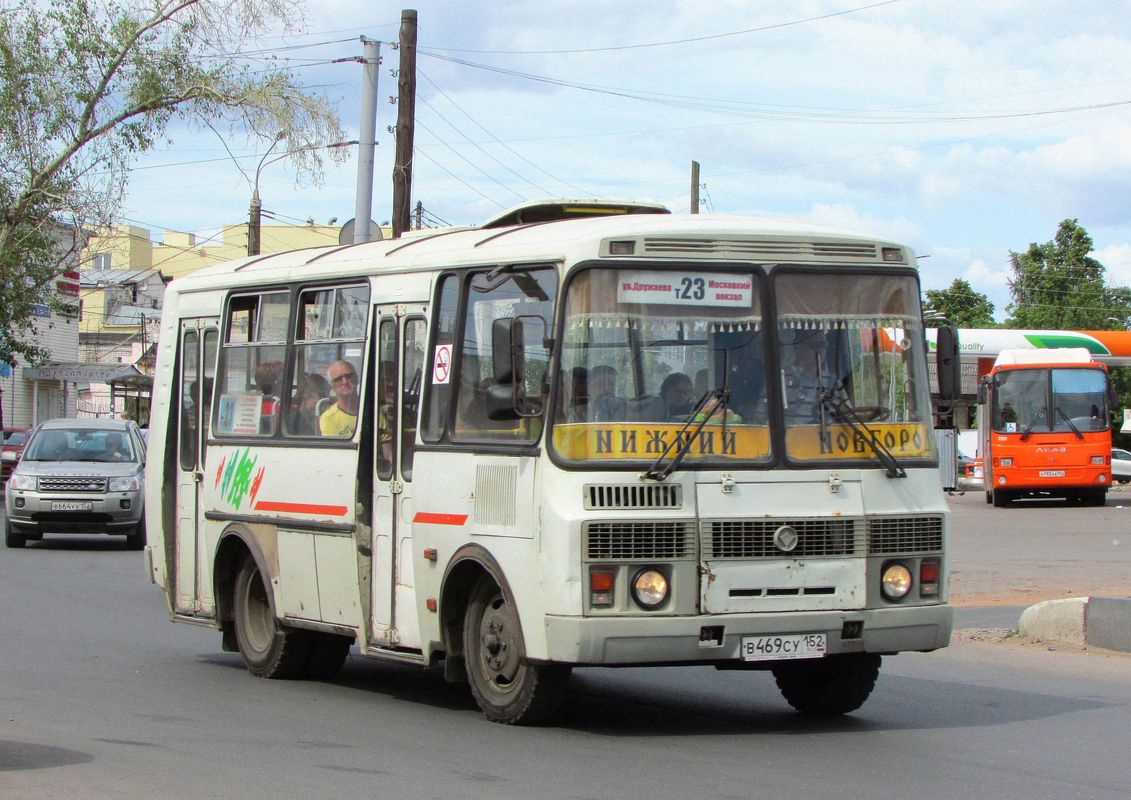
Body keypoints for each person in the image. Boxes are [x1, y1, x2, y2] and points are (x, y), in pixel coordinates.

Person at [782, 329, 831, 423]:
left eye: (823, 345)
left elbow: (847, 417)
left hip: (827, 436)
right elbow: (761, 421)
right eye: (815, 345)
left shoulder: (832, 382)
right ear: (797, 347)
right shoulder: (780, 380)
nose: (820, 350)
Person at [320, 359, 360, 437]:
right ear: (332, 386)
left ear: (357, 378)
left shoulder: (372, 411)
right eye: (338, 379)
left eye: (349, 376)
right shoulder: (329, 418)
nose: (344, 382)